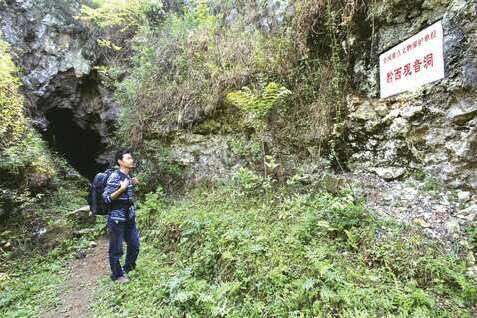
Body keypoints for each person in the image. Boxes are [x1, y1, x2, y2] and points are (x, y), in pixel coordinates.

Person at [103, 149, 140, 283]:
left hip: (129, 217)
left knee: (134, 245)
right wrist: (121, 189)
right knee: (116, 249)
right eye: (128, 158)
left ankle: (128, 268)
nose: (131, 160)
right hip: (116, 219)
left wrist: (131, 183)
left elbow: (128, 197)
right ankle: (117, 275)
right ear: (120, 162)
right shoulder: (114, 177)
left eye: (131, 158)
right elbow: (106, 199)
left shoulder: (128, 177)